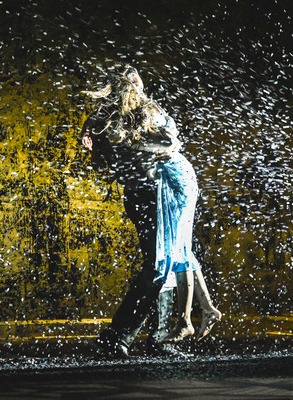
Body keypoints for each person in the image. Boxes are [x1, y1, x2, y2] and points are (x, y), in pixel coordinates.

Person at [81, 65, 221, 356]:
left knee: (162, 264)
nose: (140, 89)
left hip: (146, 195)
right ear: (131, 86)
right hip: (149, 195)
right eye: (136, 84)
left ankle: (156, 337)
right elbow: (168, 143)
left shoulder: (111, 118)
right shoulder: (129, 116)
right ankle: (120, 337)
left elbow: (162, 142)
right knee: (159, 266)